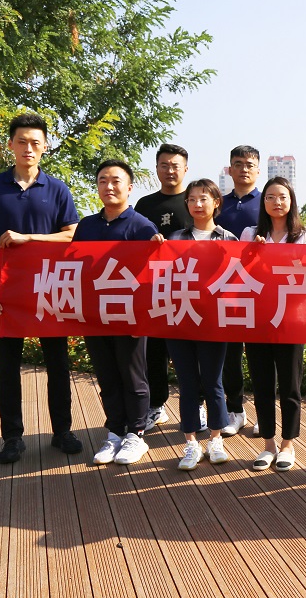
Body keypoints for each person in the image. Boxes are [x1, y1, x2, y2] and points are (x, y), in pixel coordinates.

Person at [0, 112, 82, 463]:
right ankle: (12, 438)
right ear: (11, 145)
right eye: (22, 141)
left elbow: (72, 235)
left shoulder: (57, 189)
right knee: (7, 367)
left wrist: (29, 237)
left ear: (45, 147)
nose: (28, 148)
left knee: (58, 363)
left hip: (50, 290)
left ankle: (62, 431)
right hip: (6, 294)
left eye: (35, 142)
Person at [74, 160, 161, 465]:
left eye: (115, 181)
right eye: (102, 181)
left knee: (133, 376)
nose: (108, 187)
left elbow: (151, 276)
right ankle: (114, 433)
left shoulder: (142, 226)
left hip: (130, 315)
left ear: (129, 188)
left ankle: (136, 434)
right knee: (107, 375)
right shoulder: (86, 226)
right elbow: (75, 268)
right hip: (95, 315)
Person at [240, 176, 306, 472]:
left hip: (291, 318)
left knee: (290, 384)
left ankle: (288, 444)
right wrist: (253, 253)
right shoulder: (250, 233)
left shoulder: (304, 235)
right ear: (263, 202)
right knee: (262, 383)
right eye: (270, 197)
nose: (277, 202)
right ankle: (268, 444)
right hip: (258, 318)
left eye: (283, 197)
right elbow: (240, 274)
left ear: (291, 201)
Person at [166, 179, 237, 470]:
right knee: (187, 382)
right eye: (192, 199)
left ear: (216, 202)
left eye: (204, 198)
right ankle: (191, 443)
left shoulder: (229, 239)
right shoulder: (175, 238)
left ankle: (216, 439)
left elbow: (238, 281)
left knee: (213, 381)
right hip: (180, 319)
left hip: (214, 322)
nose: (197, 204)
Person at [134, 143, 193, 432]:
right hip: (154, 289)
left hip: (189, 289)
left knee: (191, 351)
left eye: (175, 166)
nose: (170, 170)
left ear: (186, 169)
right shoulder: (144, 205)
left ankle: (196, 406)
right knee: (154, 353)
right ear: (156, 168)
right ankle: (156, 406)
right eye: (164, 165)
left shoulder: (195, 201)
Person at [214, 145, 262, 437]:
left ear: (258, 169)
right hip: (227, 289)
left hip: (261, 291)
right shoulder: (219, 205)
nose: (244, 169)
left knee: (261, 356)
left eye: (249, 164)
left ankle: (265, 413)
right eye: (238, 164)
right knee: (229, 356)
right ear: (229, 169)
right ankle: (236, 411)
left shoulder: (268, 202)